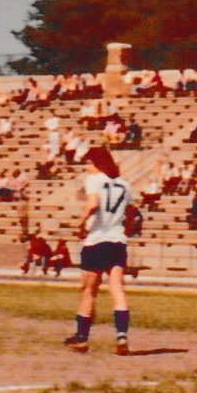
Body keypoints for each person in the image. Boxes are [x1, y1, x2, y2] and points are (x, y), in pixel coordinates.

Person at [63, 147, 133, 356]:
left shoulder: (94, 180)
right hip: (117, 241)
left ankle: (82, 338)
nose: (85, 168)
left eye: (87, 163)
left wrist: (80, 224)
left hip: (96, 240)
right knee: (117, 289)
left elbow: (92, 204)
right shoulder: (124, 184)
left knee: (88, 292)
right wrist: (125, 230)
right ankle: (121, 336)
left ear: (95, 163)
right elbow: (130, 212)